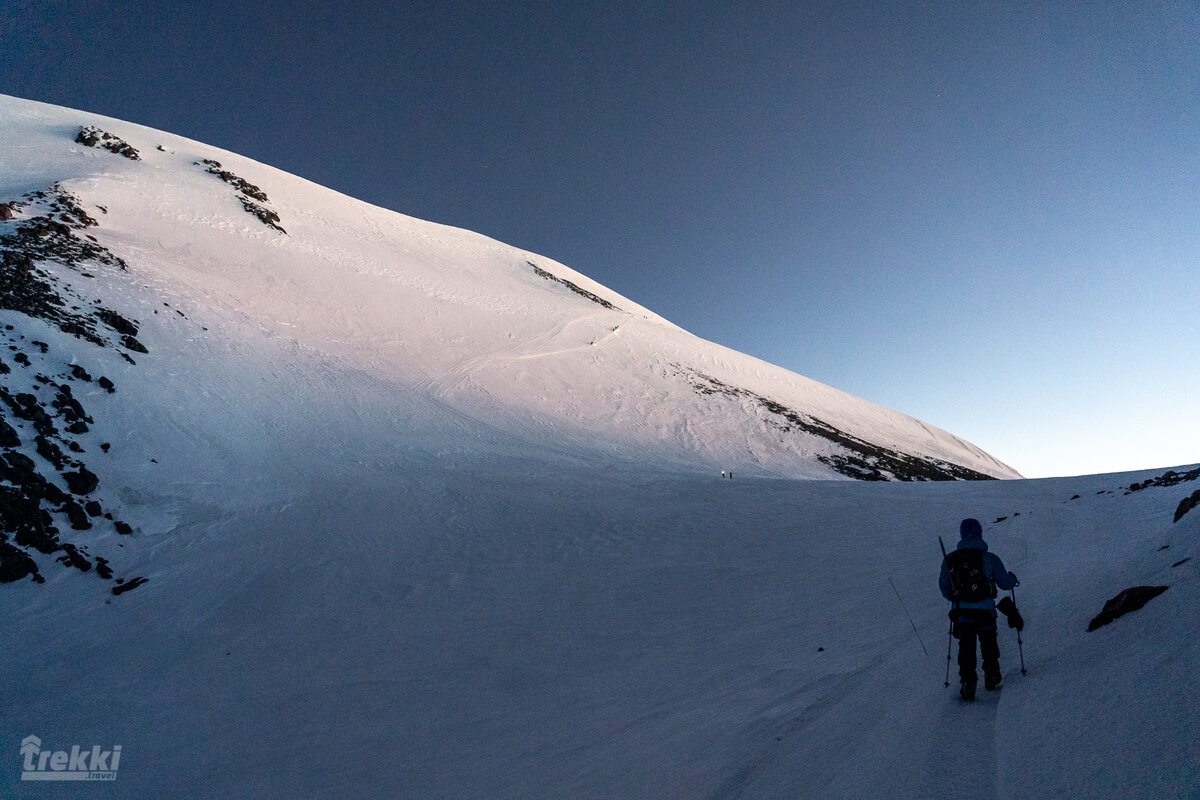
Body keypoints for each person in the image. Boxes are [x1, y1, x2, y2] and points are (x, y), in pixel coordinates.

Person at [939, 518, 1019, 701]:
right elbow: (1005, 583)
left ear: (961, 534)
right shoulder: (990, 558)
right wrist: (1013, 579)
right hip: (985, 612)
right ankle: (992, 676)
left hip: (963, 613)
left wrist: (956, 598)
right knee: (988, 643)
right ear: (980, 533)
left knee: (966, 646)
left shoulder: (950, 559)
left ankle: (968, 682)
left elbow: (944, 585)